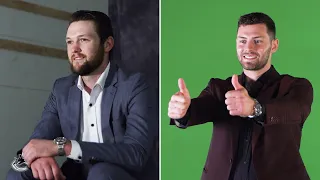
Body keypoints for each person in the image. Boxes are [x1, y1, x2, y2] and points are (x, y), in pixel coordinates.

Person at [7, 10, 158, 180]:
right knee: (19, 173)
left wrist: (65, 147)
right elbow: (36, 141)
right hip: (74, 174)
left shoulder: (134, 85)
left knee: (101, 173)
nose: (75, 49)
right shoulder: (61, 89)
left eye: (83, 40)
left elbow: (135, 154)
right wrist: (36, 157)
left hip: (118, 175)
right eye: (69, 42)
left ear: (107, 44)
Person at [168, 12, 313, 180]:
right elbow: (197, 110)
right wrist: (182, 111)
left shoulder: (296, 87)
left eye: (257, 41)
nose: (248, 48)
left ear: (274, 45)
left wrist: (255, 108)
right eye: (242, 41)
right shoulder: (219, 87)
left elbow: (295, 111)